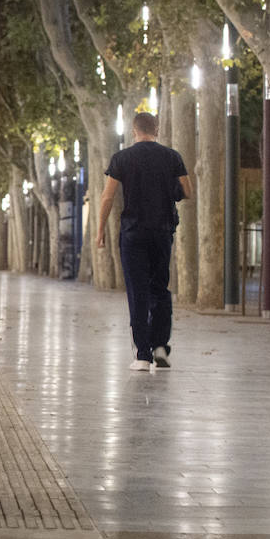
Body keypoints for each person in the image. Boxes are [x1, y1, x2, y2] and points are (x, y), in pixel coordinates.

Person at [96, 111, 194, 374]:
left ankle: (142, 355)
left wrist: (100, 230)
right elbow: (187, 191)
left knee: (137, 292)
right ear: (157, 129)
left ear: (133, 130)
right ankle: (161, 346)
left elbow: (107, 197)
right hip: (162, 231)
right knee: (160, 288)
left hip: (133, 232)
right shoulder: (172, 157)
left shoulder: (122, 158)